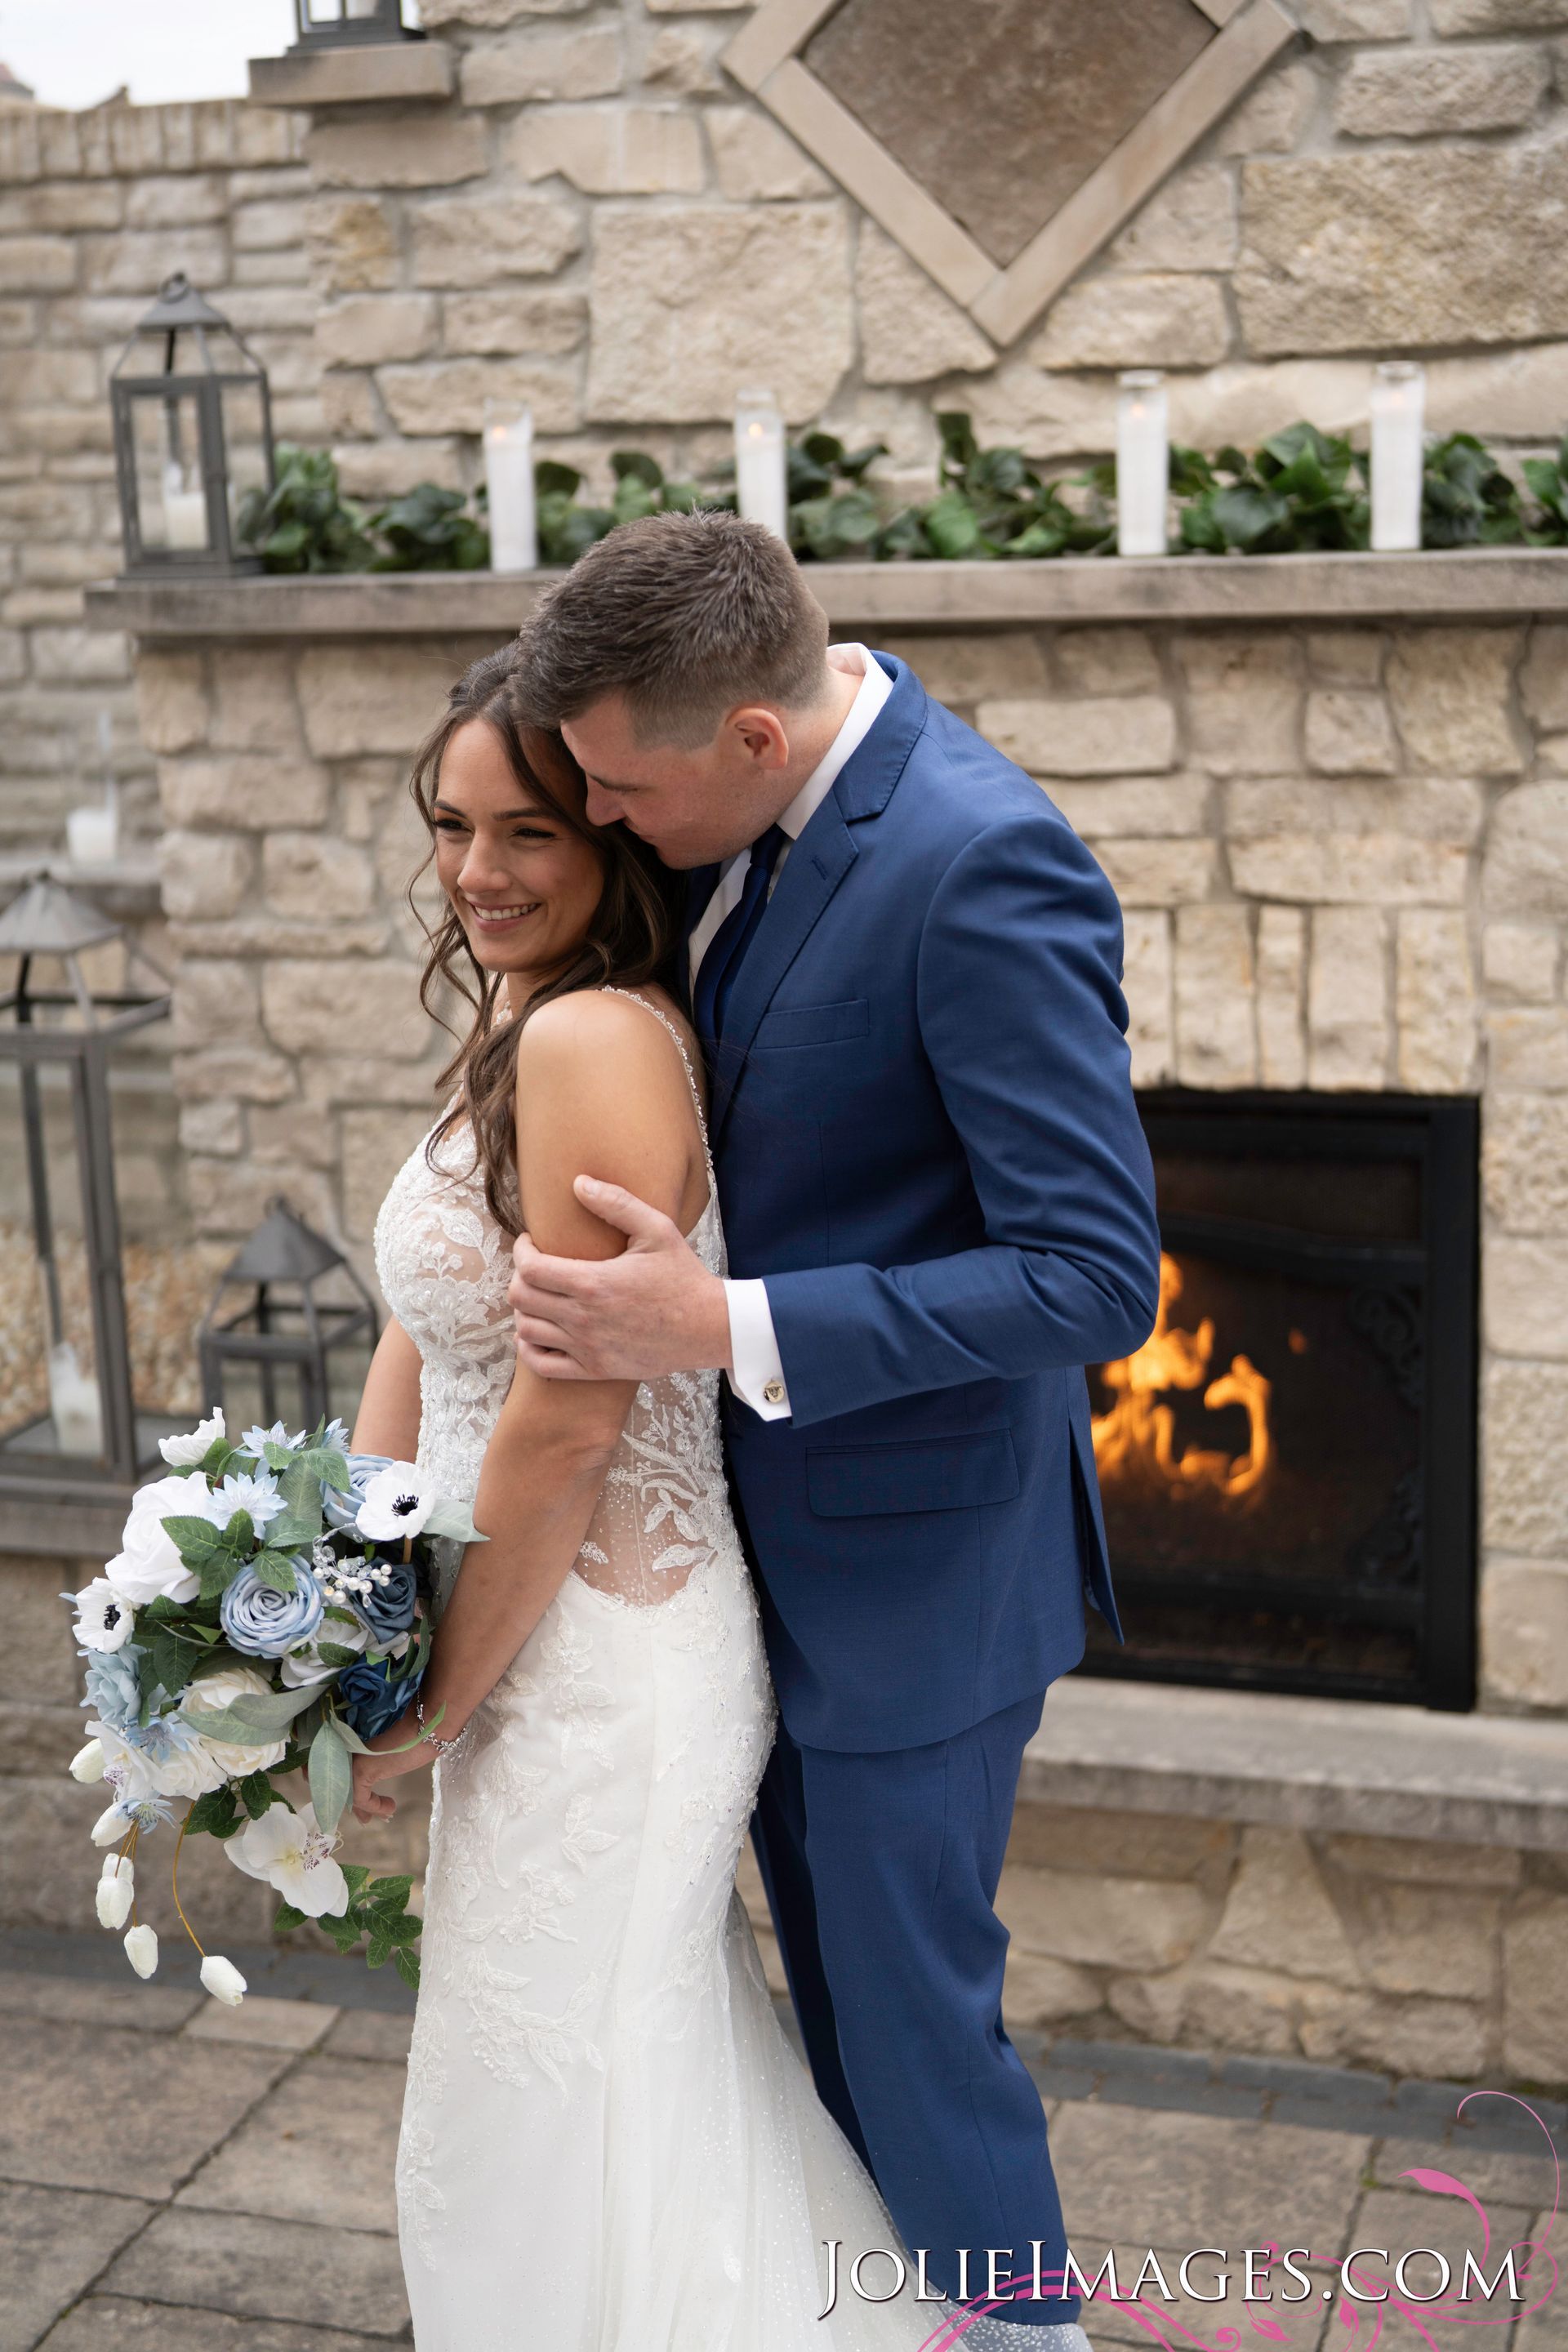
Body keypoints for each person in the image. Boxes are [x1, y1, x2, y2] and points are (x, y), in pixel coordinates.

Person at [504, 511, 1163, 2345]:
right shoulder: (744, 829)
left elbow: (1098, 1277)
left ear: (757, 741)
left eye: (625, 788)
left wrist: (720, 1324)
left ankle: (1026, 2334)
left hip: (917, 1592)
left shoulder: (982, 863)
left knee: (914, 2038)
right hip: (756, 1572)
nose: (608, 821)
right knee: (834, 2042)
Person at [347, 644, 964, 2350]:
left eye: (531, 829)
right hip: (510, 1636)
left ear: (620, 837)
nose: (479, 870)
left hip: (599, 1665)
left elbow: (567, 1420)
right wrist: (340, 1618)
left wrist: (426, 1704)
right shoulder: (517, 1014)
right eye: (455, 825)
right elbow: (423, 1334)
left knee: (558, 2089)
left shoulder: (600, 1038)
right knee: (569, 2081)